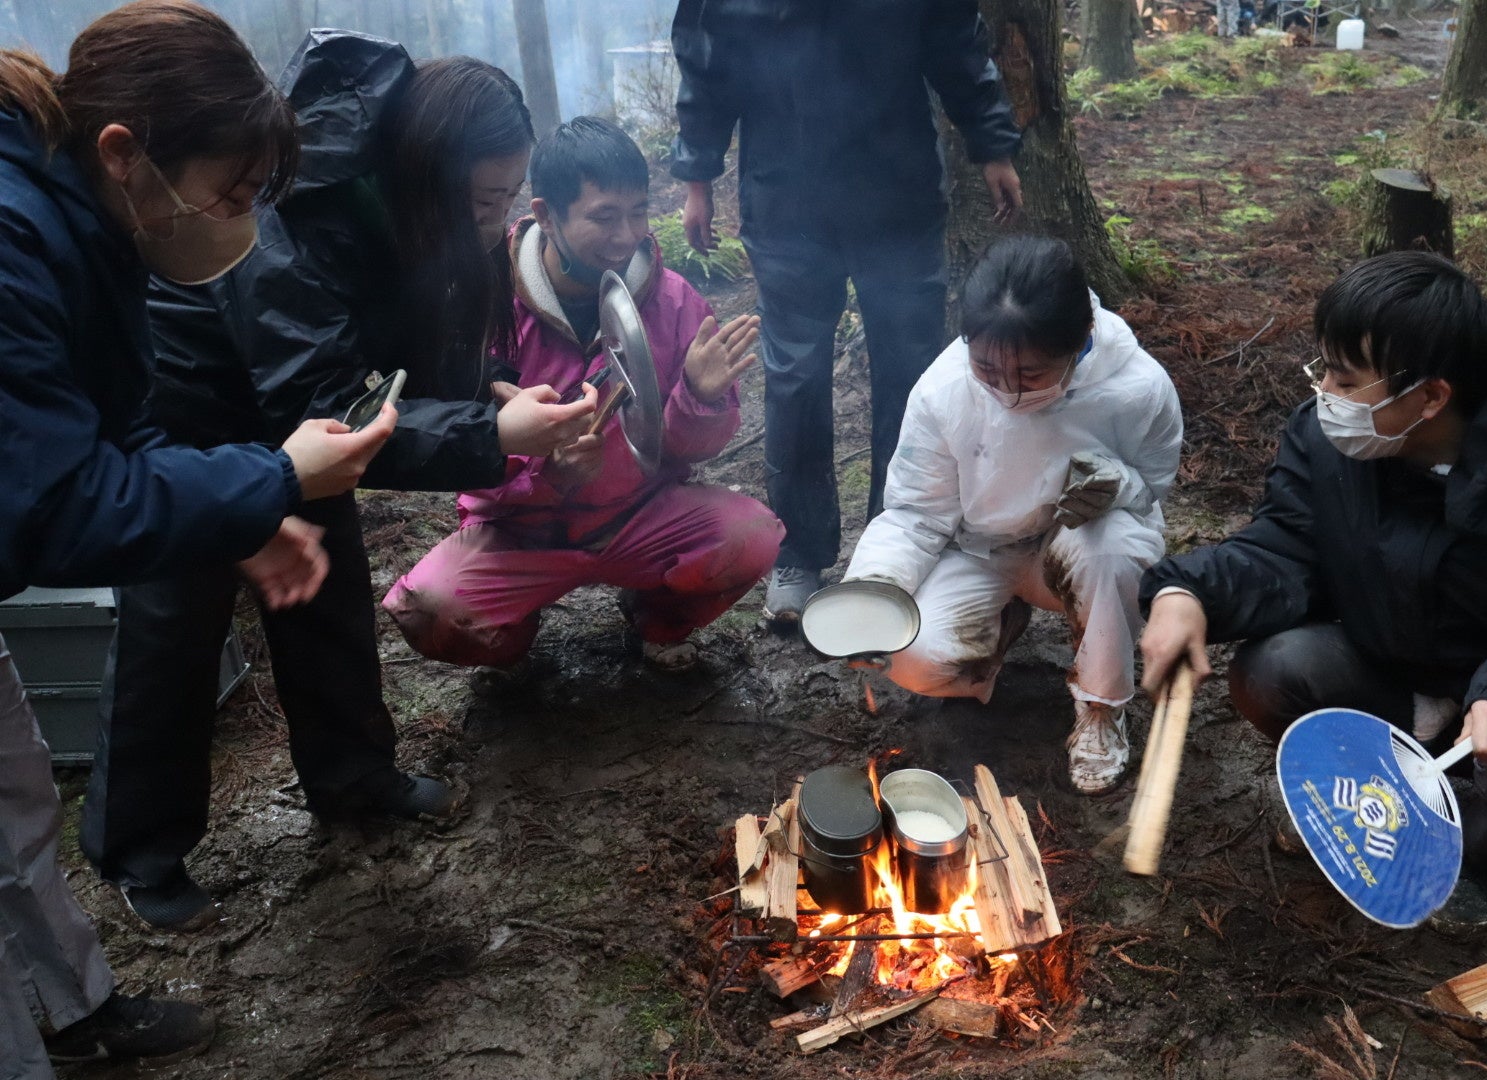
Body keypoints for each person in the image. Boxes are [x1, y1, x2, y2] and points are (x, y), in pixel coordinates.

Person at [81, 34, 597, 933]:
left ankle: (353, 777)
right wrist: (487, 435)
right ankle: (141, 850)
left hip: (309, 411)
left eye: (508, 197)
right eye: (484, 200)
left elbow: (396, 351)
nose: (497, 219)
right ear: (429, 175)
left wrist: (487, 392)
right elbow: (328, 400)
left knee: (327, 587)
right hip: (192, 409)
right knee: (175, 623)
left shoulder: (415, 205)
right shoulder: (296, 207)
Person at [0, 2, 396, 1072]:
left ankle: (74, 1014)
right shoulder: (13, 239)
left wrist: (244, 520)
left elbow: (120, 427)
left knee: (14, 801)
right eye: (225, 193)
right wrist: (275, 476)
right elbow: (50, 506)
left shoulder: (88, 220)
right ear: (124, 152)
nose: (233, 221)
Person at [1137, 251, 1487, 937]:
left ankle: (1481, 854)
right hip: (1404, 673)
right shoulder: (1334, 440)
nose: (1324, 394)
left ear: (1431, 396)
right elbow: (1286, 544)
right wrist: (1187, 592)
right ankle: (1383, 793)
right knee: (1272, 671)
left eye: (1345, 378)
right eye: (1324, 370)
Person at [383, 118, 784, 673]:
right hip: (519, 529)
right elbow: (461, 441)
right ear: (547, 215)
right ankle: (513, 635)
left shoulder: (673, 301)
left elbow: (689, 450)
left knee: (752, 537)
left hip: (638, 513)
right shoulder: (483, 300)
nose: (627, 235)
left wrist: (699, 397)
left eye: (638, 212)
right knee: (431, 611)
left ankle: (657, 618)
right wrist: (548, 474)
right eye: (604, 216)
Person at [670, 0, 1025, 623]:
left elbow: (955, 40)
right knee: (795, 375)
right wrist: (697, 177)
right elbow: (708, 56)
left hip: (897, 189)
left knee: (910, 371)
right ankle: (798, 553)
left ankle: (900, 544)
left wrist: (993, 143)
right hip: (784, 195)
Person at [843, 237, 1183, 793]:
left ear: (1080, 338)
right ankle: (997, 630)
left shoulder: (1137, 389)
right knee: (911, 656)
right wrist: (876, 589)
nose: (1006, 390)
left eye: (1029, 374)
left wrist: (1121, 484)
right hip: (979, 550)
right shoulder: (943, 391)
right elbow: (916, 513)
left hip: (1075, 548)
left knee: (1116, 547)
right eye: (986, 368)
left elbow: (1154, 484)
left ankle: (1101, 707)